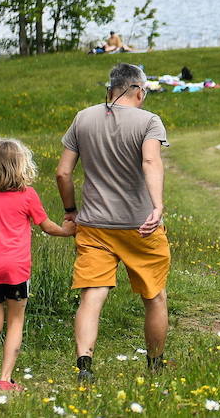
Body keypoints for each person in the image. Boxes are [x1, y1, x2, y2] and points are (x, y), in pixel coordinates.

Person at [55, 63, 170, 383]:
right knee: (155, 296)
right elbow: (150, 161)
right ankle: (155, 365)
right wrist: (157, 206)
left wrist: (70, 210)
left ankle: (84, 366)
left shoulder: (83, 118)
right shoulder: (149, 121)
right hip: (140, 225)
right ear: (138, 91)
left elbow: (63, 173)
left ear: (109, 90)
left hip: (94, 225)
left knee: (92, 295)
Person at [0, 138, 74, 388]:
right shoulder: (27, 196)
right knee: (15, 321)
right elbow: (48, 226)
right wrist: (67, 231)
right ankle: (4, 379)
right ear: (22, 165)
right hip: (16, 270)